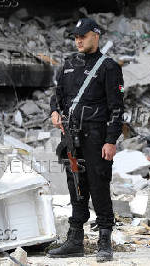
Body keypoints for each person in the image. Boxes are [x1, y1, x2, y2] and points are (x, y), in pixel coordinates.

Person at [47, 18, 124, 262]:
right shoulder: (69, 64)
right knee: (76, 186)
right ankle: (75, 239)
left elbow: (117, 108)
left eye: (84, 36)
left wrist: (111, 140)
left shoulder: (109, 67)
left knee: (99, 185)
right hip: (72, 138)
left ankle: (104, 240)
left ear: (96, 36)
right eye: (76, 36)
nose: (78, 40)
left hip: (97, 137)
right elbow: (57, 97)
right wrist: (54, 112)